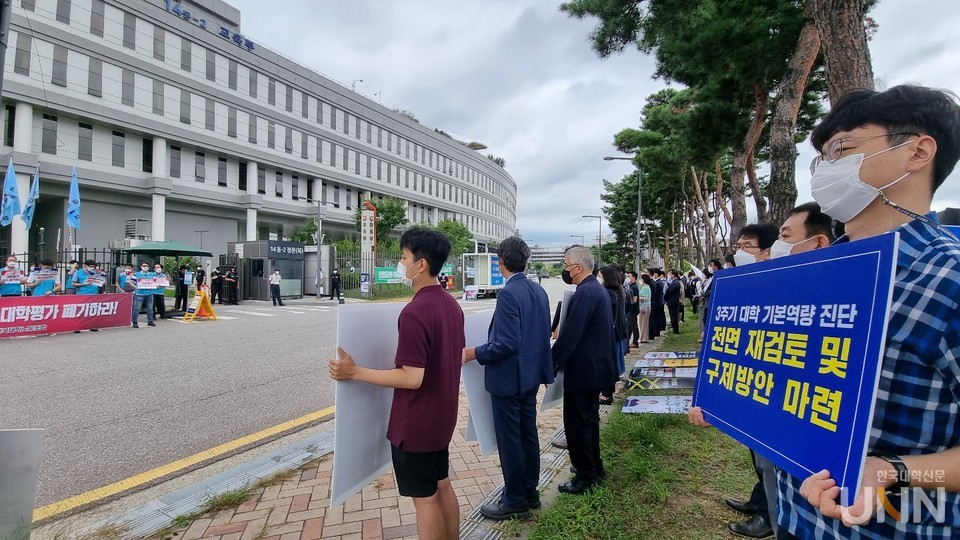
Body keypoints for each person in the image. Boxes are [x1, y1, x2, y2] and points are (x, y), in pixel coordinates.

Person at [779, 85, 960, 539]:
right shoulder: (807, 274)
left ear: (917, 152)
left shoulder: (950, 277)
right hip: (795, 517)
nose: (825, 170)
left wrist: (892, 471)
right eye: (820, 159)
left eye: (842, 149)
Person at [329, 227, 464, 540]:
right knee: (442, 484)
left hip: (417, 424)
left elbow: (411, 377)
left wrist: (355, 372)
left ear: (421, 265)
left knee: (425, 499)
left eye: (403, 257)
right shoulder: (451, 305)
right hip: (442, 418)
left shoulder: (416, 312)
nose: (399, 263)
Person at [462, 236, 553, 521]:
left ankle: (514, 499)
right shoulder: (538, 291)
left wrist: (474, 352)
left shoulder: (509, 294)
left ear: (501, 262)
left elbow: (506, 343)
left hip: (509, 379)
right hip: (529, 377)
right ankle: (530, 491)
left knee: (511, 439)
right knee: (528, 434)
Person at [551, 246, 616, 495]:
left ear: (578, 268)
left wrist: (550, 363)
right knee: (589, 422)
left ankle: (585, 476)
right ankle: (594, 467)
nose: (565, 271)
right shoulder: (594, 290)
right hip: (594, 369)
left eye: (567, 266)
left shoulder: (585, 293)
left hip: (583, 372)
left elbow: (569, 336)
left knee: (577, 425)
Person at [598, 266, 628, 405]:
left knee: (608, 365)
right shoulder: (619, 290)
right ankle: (608, 392)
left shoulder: (609, 293)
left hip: (612, 334)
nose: (599, 279)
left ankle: (606, 395)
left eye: (601, 276)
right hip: (619, 332)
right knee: (613, 363)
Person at [130, 261, 156, 328]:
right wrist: (136, 287)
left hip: (149, 293)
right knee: (137, 308)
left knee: (150, 308)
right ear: (141, 267)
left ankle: (150, 321)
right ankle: (134, 321)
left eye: (147, 266)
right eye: (144, 266)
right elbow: (131, 282)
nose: (146, 267)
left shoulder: (152, 274)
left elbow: (155, 282)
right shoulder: (136, 274)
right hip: (139, 294)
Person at [647, 268, 666, 339]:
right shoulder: (658, 282)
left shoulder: (656, 283)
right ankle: (657, 331)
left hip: (656, 302)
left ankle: (655, 331)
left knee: (655, 318)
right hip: (658, 301)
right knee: (657, 317)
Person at [663, 269, 682, 334]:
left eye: (670, 274)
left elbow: (669, 292)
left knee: (673, 315)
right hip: (673, 301)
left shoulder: (675, 283)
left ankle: (675, 329)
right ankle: (675, 328)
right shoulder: (675, 282)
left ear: (673, 275)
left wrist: (665, 297)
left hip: (672, 301)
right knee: (673, 315)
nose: (669, 275)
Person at [626, 271, 641, 347]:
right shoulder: (630, 286)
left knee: (633, 326)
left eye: (629, 276)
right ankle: (627, 341)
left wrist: (628, 302)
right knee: (629, 327)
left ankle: (635, 341)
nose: (628, 278)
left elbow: (634, 299)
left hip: (633, 309)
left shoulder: (634, 287)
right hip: (630, 310)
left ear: (633, 278)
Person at [637, 274, 652, 344]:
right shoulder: (644, 287)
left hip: (645, 306)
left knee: (643, 323)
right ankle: (643, 337)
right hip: (645, 306)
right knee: (643, 322)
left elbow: (645, 298)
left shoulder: (645, 287)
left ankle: (643, 338)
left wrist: (637, 298)